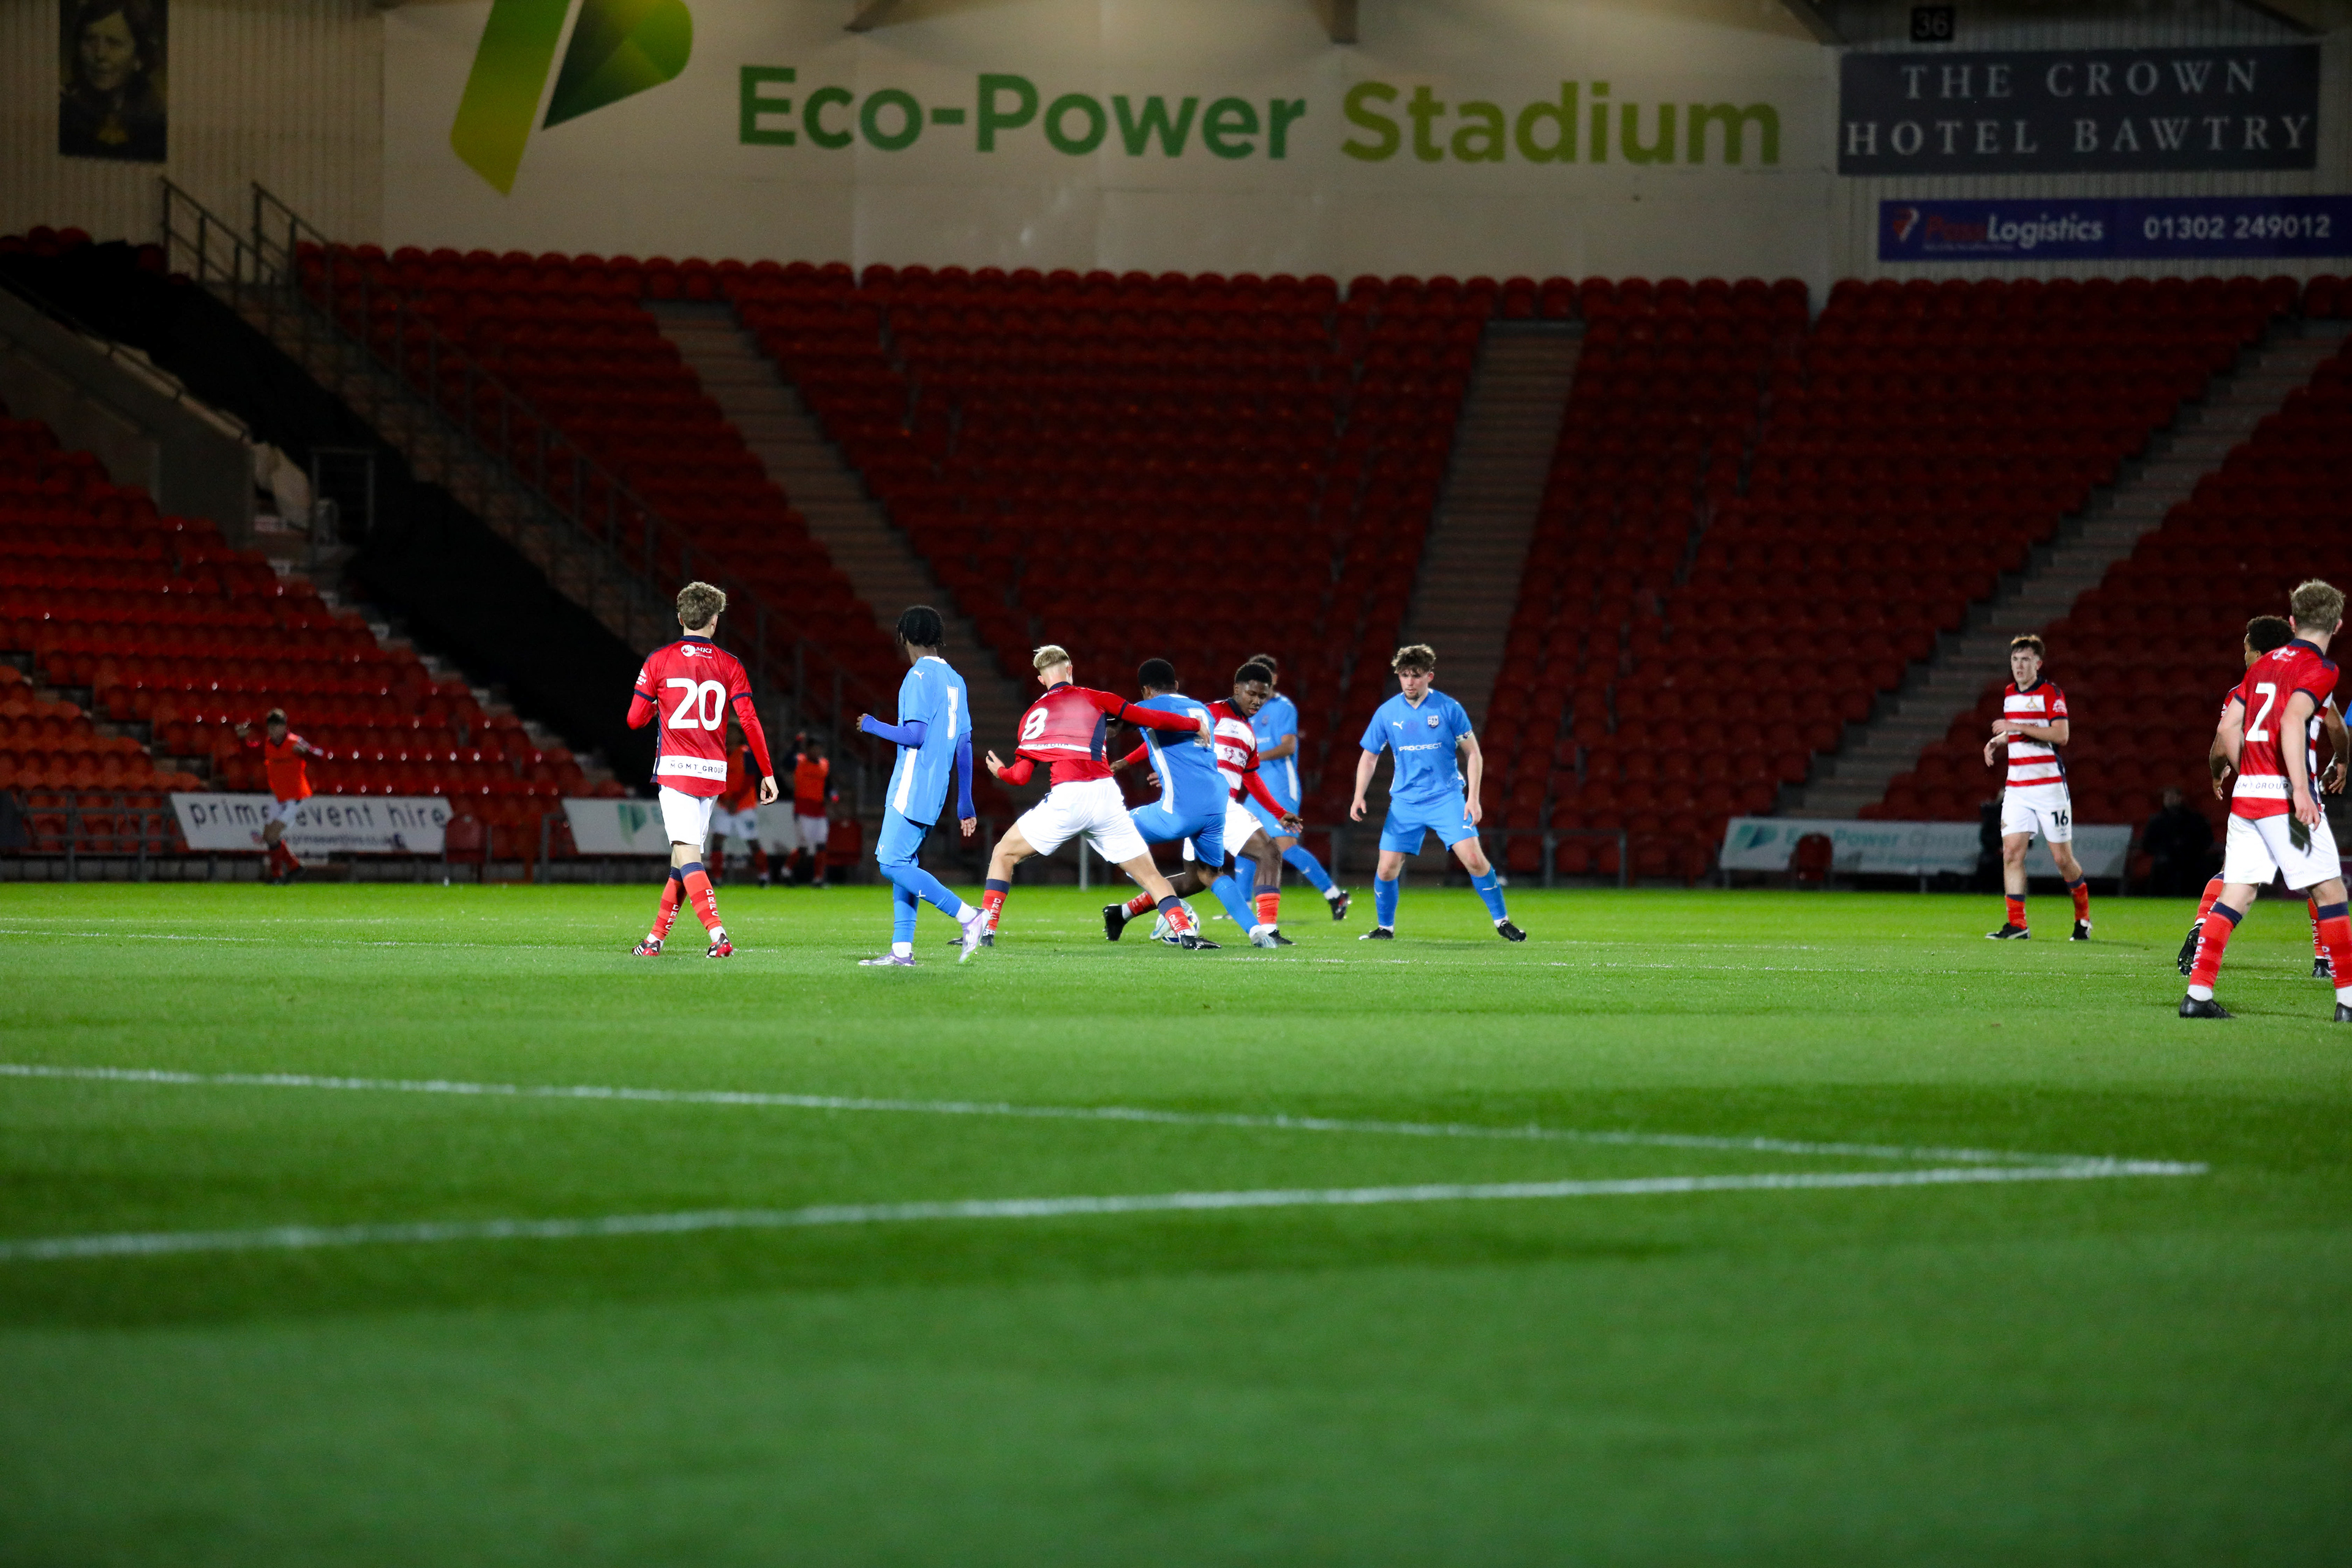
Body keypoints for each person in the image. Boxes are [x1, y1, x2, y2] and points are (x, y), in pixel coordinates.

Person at [2181, 579, 2352, 1020]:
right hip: (2284, 800)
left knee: (2236, 893)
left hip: (2247, 798)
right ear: (2337, 624)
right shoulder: (2322, 669)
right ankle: (2348, 1003)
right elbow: (2297, 719)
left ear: (2292, 621)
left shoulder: (2260, 667)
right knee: (2330, 890)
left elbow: (2226, 730)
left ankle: (2197, 996)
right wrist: (2299, 789)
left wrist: (2237, 769)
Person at [981, 644, 1219, 949]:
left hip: (1068, 797)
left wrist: (1000, 771)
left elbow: (1021, 777)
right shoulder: (1097, 697)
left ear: (1041, 680)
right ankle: (1185, 934)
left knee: (1004, 853)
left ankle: (984, 930)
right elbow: (1150, 718)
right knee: (1150, 875)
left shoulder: (1032, 716)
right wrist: (1194, 724)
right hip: (1106, 797)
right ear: (1070, 669)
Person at [624, 582, 777, 959]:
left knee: (687, 856)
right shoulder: (731, 665)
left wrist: (658, 705)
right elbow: (750, 720)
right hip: (711, 775)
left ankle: (718, 936)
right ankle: (654, 941)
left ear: (680, 618)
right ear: (713, 621)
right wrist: (768, 773)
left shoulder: (658, 661)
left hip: (675, 771)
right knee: (682, 860)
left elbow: (633, 720)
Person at [1107, 662, 1305, 948]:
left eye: (1263, 697)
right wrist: (1132, 762)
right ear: (1237, 689)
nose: (1257, 702)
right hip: (1213, 803)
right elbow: (1162, 727)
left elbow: (1251, 779)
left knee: (1196, 880)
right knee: (1269, 852)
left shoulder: (1248, 734)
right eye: (1252, 694)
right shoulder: (1209, 712)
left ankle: (1122, 913)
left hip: (1205, 805)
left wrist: (1279, 812)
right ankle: (1267, 931)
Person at [1349, 643, 1524, 941]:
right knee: (1388, 867)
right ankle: (1384, 928)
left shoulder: (1448, 708)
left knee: (1473, 858)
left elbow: (1474, 754)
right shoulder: (1387, 712)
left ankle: (1502, 921)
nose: (1409, 682)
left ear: (1429, 676)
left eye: (1416, 675)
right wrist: (1358, 795)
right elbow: (1369, 756)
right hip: (1405, 801)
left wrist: (1473, 798)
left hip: (1446, 798)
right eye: (1404, 675)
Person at [853, 606, 990, 967]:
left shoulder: (917, 677)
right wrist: (965, 802)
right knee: (905, 863)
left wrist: (871, 725)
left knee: (889, 862)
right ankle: (901, 952)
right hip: (937, 789)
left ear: (904, 637)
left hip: (911, 785)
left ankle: (968, 916)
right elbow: (965, 744)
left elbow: (914, 736)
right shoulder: (955, 679)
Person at [1097, 659, 1224, 942]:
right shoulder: (1202, 710)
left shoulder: (1146, 708)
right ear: (1176, 686)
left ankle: (1178, 913)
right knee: (1198, 879)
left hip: (1178, 811)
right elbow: (1164, 734)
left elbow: (1114, 726)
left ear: (1145, 691)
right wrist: (1127, 762)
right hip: (1215, 806)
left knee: (1108, 829)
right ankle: (1121, 914)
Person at [1981, 634, 2090, 941]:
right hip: (2017, 787)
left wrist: (2014, 727)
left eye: (2026, 659)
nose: (2019, 665)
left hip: (2049, 788)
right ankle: (2018, 925)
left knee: (2062, 860)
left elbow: (2061, 734)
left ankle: (2082, 919)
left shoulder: (2050, 693)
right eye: (2015, 659)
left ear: (2038, 663)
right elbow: (2018, 734)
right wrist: (1998, 741)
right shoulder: (2009, 693)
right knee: (2012, 854)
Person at [1240, 653, 1350, 921]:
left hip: (1279, 786)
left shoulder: (1283, 707)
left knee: (1286, 846)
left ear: (1274, 678)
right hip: (1255, 789)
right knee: (1243, 839)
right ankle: (1241, 907)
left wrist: (1254, 757)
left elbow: (1289, 745)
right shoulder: (1247, 709)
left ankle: (1335, 896)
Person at [59, 0, 167, 163]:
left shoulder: (156, 123)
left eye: (114, 43)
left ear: (139, 57)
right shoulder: (64, 113)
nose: (100, 54)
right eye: (90, 40)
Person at [233, 707, 326, 884]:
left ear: (285, 727)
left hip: (295, 797)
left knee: (273, 834)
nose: (273, 731)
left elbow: (321, 755)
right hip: (280, 797)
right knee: (268, 836)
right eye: (271, 727)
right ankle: (293, 867)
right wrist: (241, 738)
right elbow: (249, 754)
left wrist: (306, 752)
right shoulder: (268, 744)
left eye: (277, 727)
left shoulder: (294, 743)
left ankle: (279, 874)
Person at [706, 737, 766, 887]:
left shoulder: (746, 754)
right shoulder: (717, 754)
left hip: (744, 805)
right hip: (724, 804)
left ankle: (764, 876)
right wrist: (724, 799)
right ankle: (717, 878)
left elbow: (750, 779)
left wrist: (735, 800)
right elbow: (712, 779)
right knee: (717, 840)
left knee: (753, 841)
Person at [2141, 789, 2215, 899]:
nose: (2169, 799)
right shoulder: (2156, 821)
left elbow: (2206, 840)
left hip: (2190, 858)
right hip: (2166, 860)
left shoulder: (2195, 819)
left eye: (2172, 795)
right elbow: (2147, 844)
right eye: (2167, 797)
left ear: (2180, 798)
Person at [790, 736, 831, 888]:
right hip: (803, 809)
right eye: (814, 748)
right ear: (807, 749)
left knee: (822, 845)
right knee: (803, 848)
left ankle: (818, 879)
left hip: (819, 810)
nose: (817, 751)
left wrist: (833, 795)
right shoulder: (799, 761)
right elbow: (785, 762)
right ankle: (786, 871)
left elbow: (828, 785)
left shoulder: (824, 764)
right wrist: (796, 744)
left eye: (819, 748)